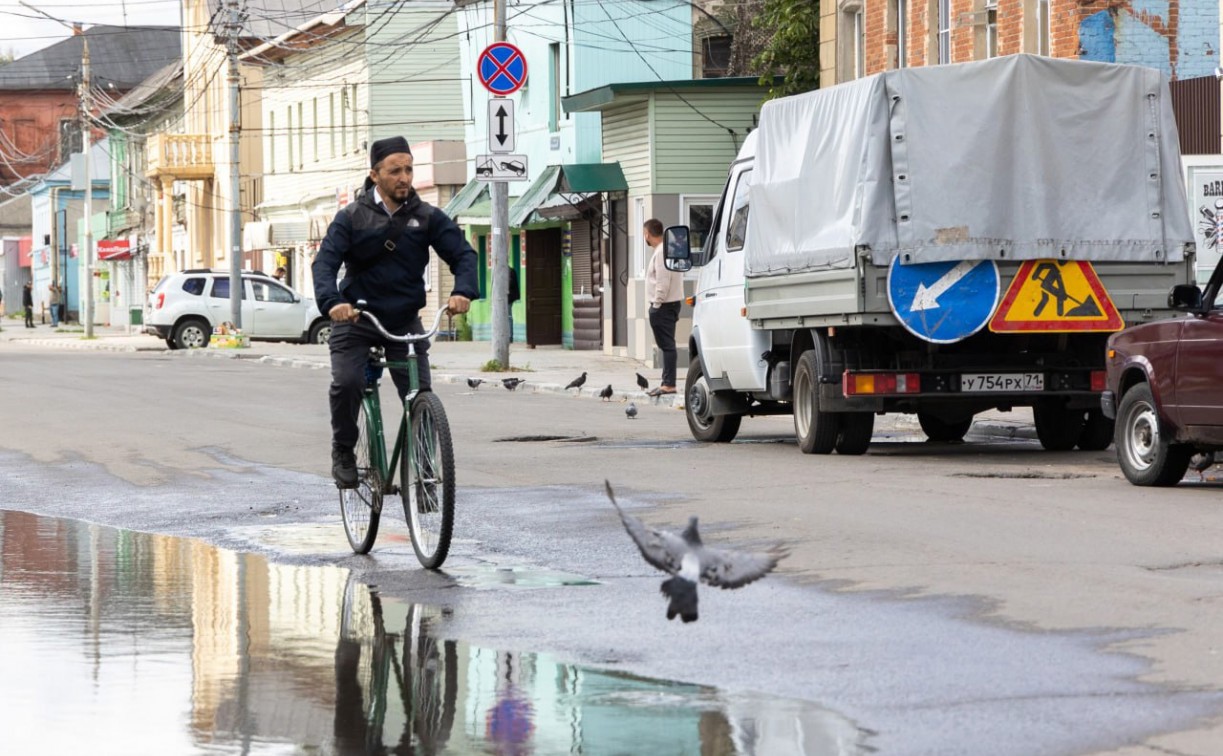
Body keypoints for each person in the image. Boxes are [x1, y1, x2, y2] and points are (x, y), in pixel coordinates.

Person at [313, 136, 479, 488]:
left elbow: (464, 255)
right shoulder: (351, 218)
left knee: (420, 396)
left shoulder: (427, 217)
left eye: (408, 169)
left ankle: (424, 472)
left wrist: (463, 290)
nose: (404, 177)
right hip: (357, 319)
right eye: (395, 171)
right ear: (375, 175)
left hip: (404, 321)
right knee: (348, 383)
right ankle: (343, 449)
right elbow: (324, 264)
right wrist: (333, 303)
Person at [644, 218, 683, 396]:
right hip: (669, 304)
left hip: (664, 305)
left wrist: (657, 304)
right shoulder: (667, 249)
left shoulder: (661, 252)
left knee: (667, 345)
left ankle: (669, 384)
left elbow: (662, 281)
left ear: (647, 234)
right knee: (667, 345)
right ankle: (667, 382)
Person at [507, 265, 519, 342]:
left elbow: (512, 284)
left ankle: (510, 336)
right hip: (504, 298)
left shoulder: (510, 271)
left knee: (508, 316)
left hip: (509, 298)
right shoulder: (508, 271)